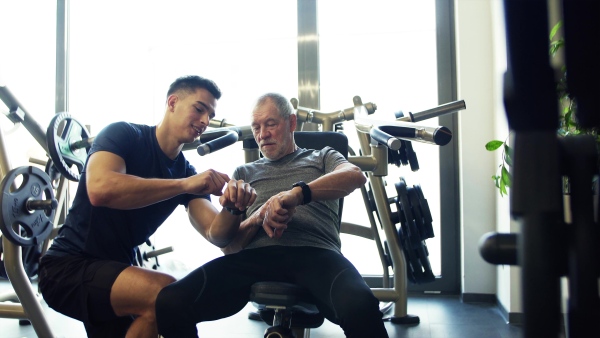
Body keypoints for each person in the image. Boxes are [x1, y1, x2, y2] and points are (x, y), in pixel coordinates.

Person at [155, 93, 389, 338]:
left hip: (316, 254)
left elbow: (355, 175)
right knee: (170, 302)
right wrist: (260, 215)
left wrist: (296, 195)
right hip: (254, 257)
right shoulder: (245, 171)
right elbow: (231, 248)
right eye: (256, 127)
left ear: (291, 123)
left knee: (361, 307)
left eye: (270, 124)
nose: (262, 134)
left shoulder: (322, 157)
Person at [38, 75, 257, 338]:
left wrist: (233, 208)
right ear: (173, 102)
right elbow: (100, 189)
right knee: (166, 295)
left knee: (162, 306)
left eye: (210, 115)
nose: (204, 122)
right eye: (199, 109)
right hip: (69, 266)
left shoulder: (185, 172)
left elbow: (215, 232)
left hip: (118, 273)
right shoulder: (123, 134)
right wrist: (183, 185)